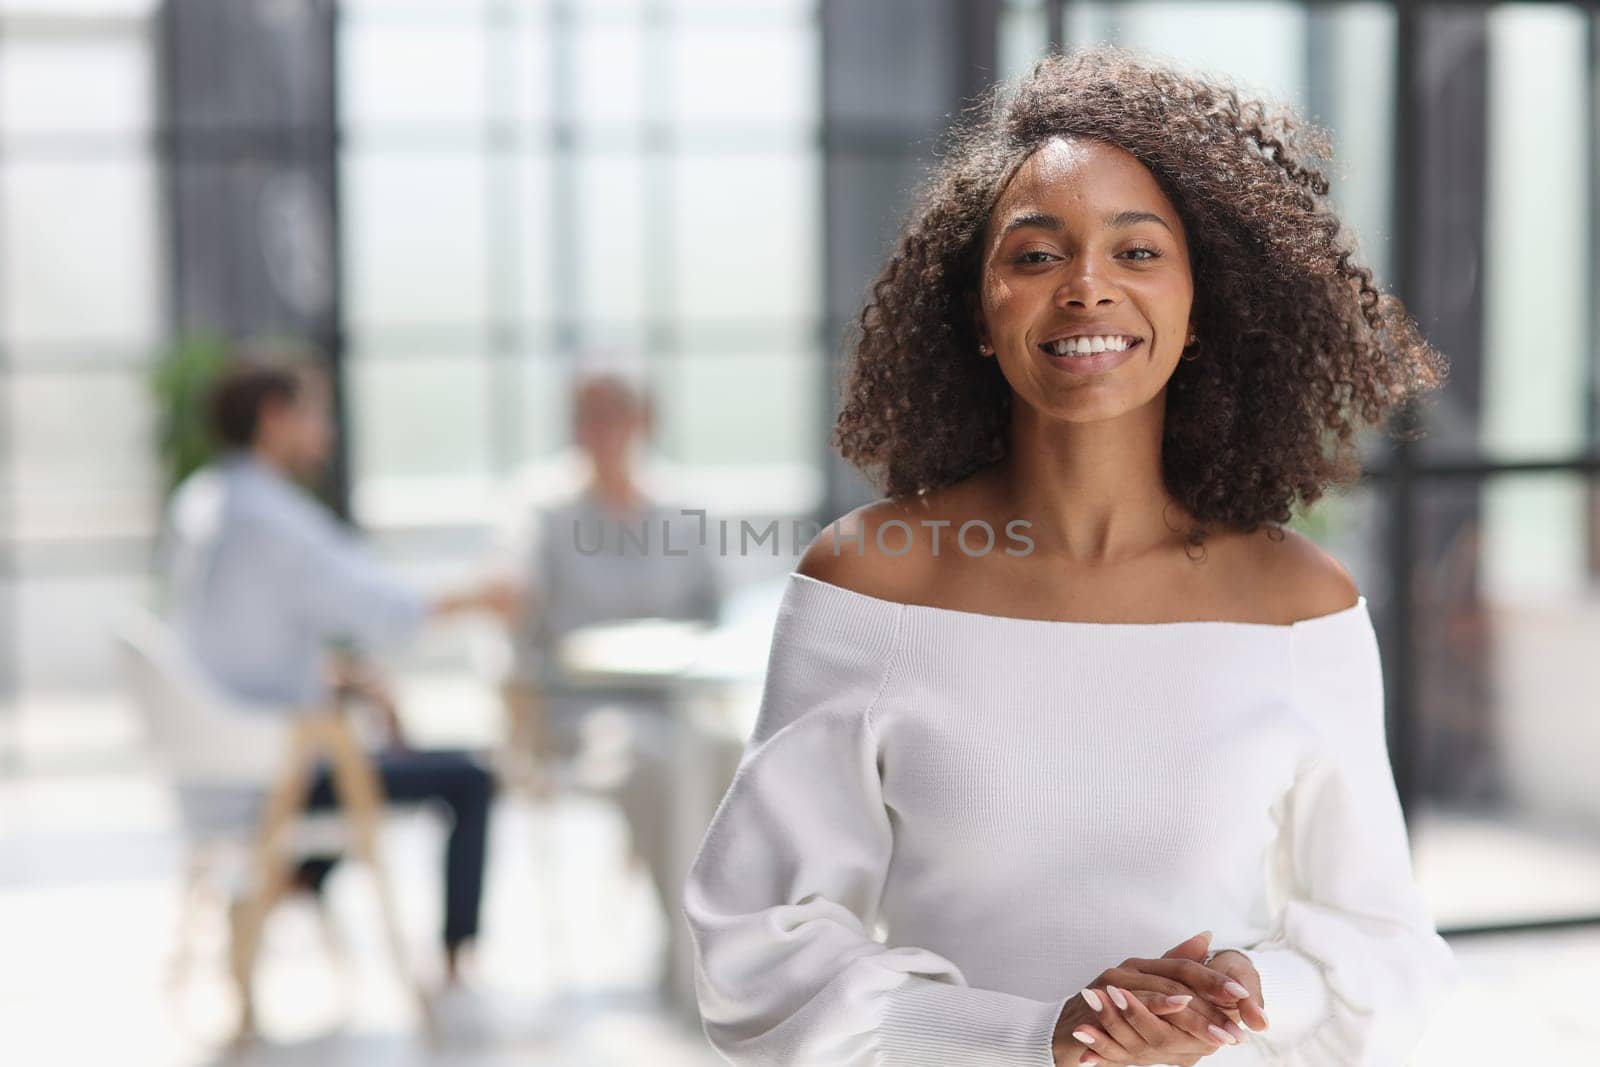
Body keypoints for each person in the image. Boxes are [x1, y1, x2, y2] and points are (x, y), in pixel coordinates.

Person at [682, 45, 1458, 1066]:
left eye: (1137, 253)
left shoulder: (1295, 605)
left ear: (1199, 303)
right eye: (1037, 253)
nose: (1087, 287)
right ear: (975, 305)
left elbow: (1388, 945)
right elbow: (753, 947)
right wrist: (1034, 1035)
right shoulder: (872, 584)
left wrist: (1238, 992)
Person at [160, 352, 515, 984]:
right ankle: (458, 965)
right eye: (315, 414)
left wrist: (341, 677)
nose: (326, 432)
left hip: (219, 756)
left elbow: (243, 641)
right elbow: (383, 608)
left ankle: (295, 880)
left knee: (363, 754)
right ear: (275, 418)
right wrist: (479, 597)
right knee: (471, 776)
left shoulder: (204, 501)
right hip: (270, 772)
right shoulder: (272, 520)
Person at [495, 364, 720, 989]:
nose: (596, 431)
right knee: (656, 763)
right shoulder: (540, 510)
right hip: (579, 712)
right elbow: (514, 600)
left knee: (738, 758)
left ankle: (748, 937)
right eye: (584, 417)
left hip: (674, 700)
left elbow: (721, 610)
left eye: (611, 415)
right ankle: (697, 954)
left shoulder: (682, 507)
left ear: (644, 422)